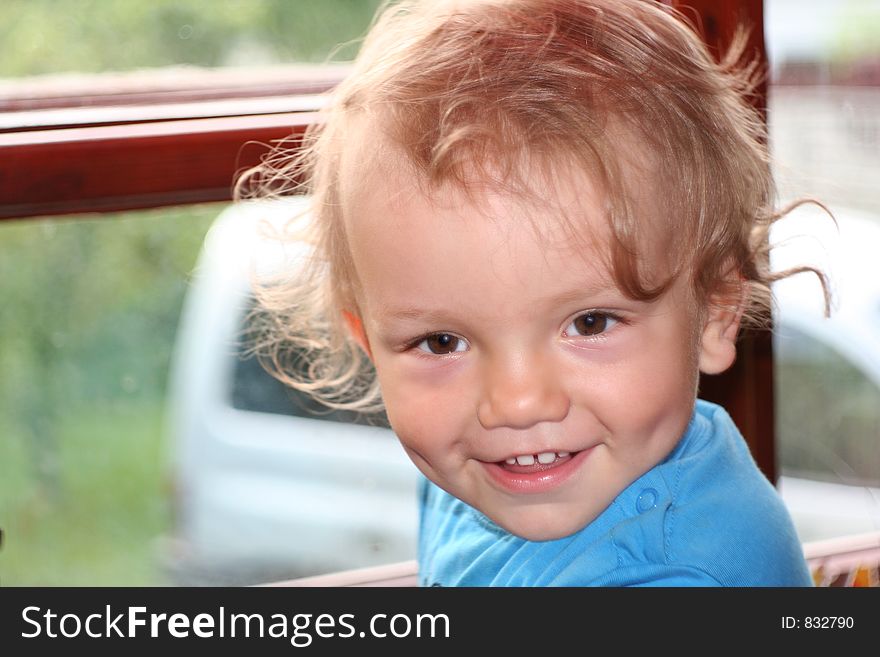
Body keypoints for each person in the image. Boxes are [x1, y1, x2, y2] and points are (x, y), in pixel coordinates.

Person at [241, 0, 825, 586]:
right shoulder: (486, 473)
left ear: (713, 313)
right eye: (442, 342)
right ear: (368, 344)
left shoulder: (674, 580)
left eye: (590, 323)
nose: (517, 404)